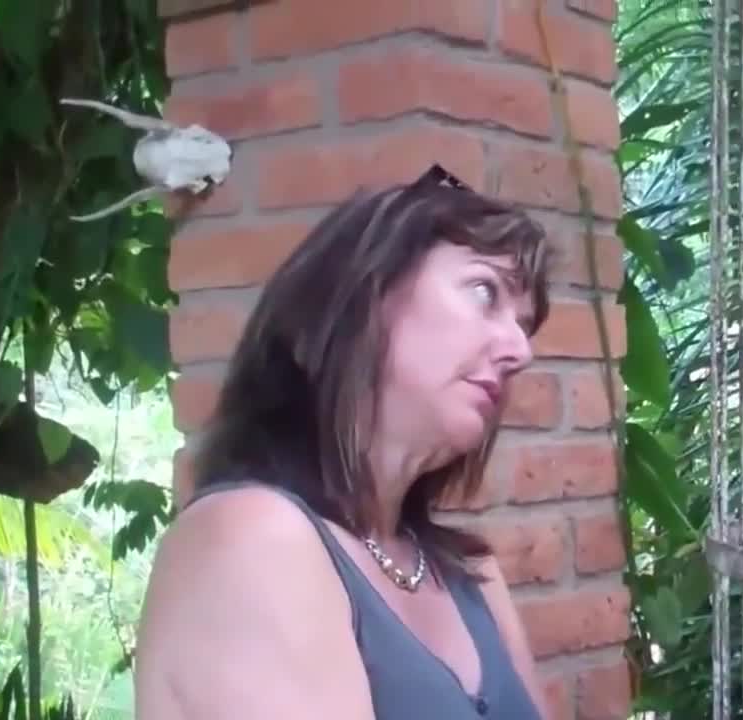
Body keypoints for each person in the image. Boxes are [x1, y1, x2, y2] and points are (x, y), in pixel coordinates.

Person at [133, 164, 554, 719]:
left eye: (524, 324)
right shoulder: (253, 537)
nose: (519, 350)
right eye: (484, 291)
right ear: (359, 296)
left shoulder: (469, 572)